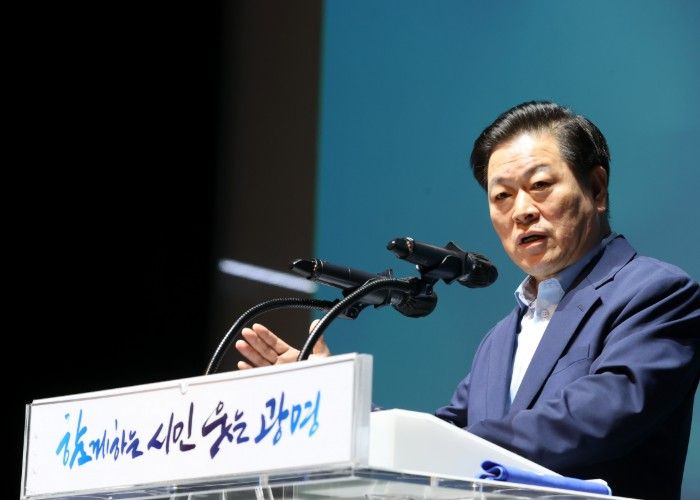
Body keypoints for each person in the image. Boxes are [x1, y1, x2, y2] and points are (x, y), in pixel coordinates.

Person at [235, 101, 700, 500]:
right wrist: (338, 405)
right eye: (502, 196)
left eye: (540, 185)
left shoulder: (656, 293)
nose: (521, 211)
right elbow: (445, 436)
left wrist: (429, 445)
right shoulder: (500, 340)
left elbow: (591, 422)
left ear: (596, 189)